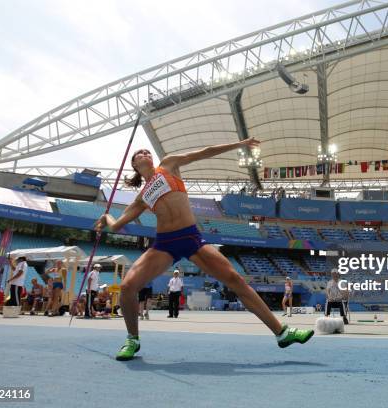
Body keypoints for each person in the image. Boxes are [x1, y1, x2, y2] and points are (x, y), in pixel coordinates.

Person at [95, 139, 313, 360]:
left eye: (146, 151)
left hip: (191, 238)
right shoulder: (142, 197)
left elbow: (205, 152)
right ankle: (132, 339)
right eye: (139, 153)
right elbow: (117, 225)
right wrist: (106, 217)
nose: (145, 153)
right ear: (134, 165)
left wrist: (241, 144)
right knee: (127, 286)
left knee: (235, 279)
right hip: (164, 243)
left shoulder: (168, 165)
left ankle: (282, 333)